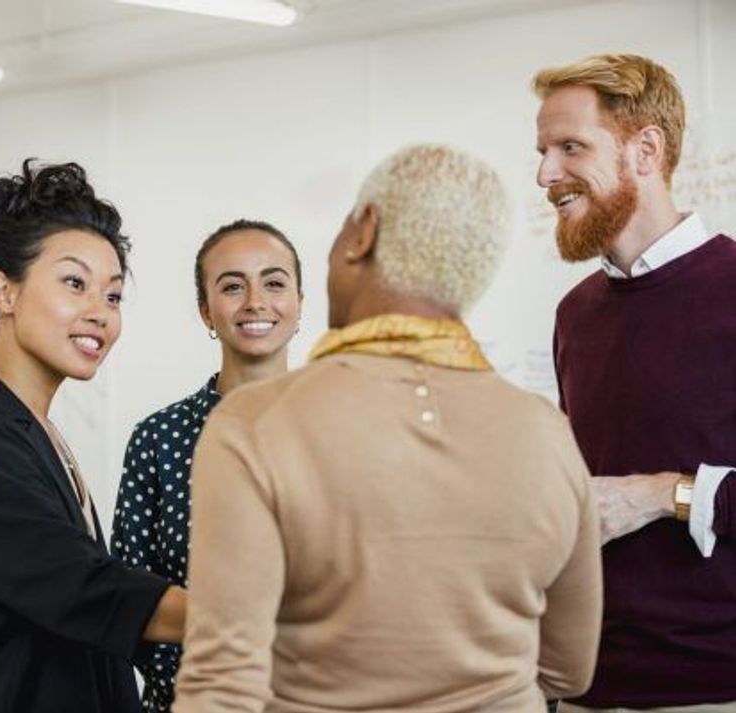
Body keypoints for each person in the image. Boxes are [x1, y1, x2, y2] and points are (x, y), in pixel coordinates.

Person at [174, 143, 603, 713]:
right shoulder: (546, 434)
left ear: (363, 231)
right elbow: (568, 669)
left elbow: (221, 688)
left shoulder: (254, 425)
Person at [0, 159, 186, 712]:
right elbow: (84, 589)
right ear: (4, 292)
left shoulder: (28, 428)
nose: (99, 314)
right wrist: (267, 619)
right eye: (73, 284)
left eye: (112, 296)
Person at [534, 54, 736, 711]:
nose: (545, 175)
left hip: (710, 689)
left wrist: (664, 494)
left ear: (645, 149)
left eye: (571, 147)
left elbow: (633, 497)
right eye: (542, 151)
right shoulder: (575, 313)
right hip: (582, 687)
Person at [111, 219, 303, 712]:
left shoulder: (342, 431)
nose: (256, 301)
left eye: (274, 282)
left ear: (299, 305)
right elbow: (128, 596)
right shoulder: (159, 440)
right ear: (206, 312)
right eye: (233, 286)